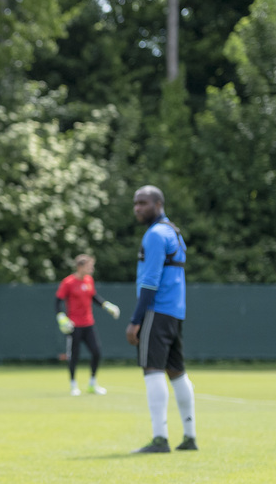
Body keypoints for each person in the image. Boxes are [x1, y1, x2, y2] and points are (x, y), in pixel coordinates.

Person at [125, 185, 198, 453]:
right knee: (177, 373)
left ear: (158, 204)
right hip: (176, 313)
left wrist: (136, 320)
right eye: (135, 203)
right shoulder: (175, 232)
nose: (137, 208)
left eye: (143, 203)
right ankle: (189, 437)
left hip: (157, 312)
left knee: (152, 371)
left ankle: (160, 439)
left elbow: (150, 282)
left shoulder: (155, 235)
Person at [55, 254, 121, 396]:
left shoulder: (89, 280)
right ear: (80, 266)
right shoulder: (68, 282)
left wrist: (107, 306)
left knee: (96, 353)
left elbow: (94, 297)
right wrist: (62, 318)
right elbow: (58, 302)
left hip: (88, 324)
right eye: (89, 266)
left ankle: (92, 383)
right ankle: (73, 385)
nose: (92, 268)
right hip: (74, 326)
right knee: (74, 355)